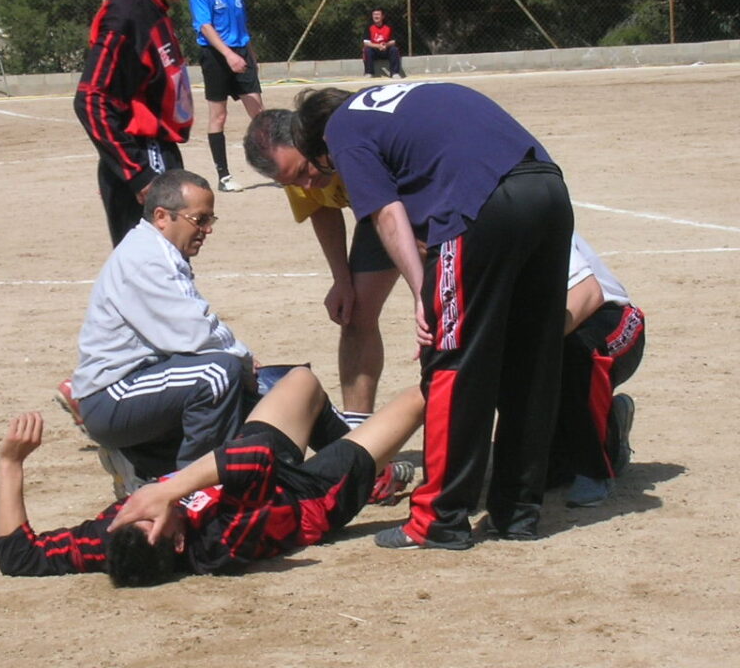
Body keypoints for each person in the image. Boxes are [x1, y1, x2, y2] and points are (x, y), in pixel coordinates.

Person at [292, 83, 574, 550]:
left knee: (451, 360)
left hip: (483, 205)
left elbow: (385, 214)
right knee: (532, 359)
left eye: (320, 166)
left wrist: (424, 291)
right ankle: (519, 512)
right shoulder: (405, 97)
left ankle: (438, 517)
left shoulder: (342, 127)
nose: (325, 174)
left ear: (322, 142)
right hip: (549, 191)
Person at [0, 366, 424, 586]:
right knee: (420, 398)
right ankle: (372, 477)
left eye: (131, 511)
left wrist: (11, 463)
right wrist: (174, 488)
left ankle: (378, 471)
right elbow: (254, 456)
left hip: (245, 472)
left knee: (301, 380)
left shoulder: (115, 537)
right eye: (151, 513)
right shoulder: (217, 544)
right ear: (178, 540)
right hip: (307, 498)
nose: (140, 502)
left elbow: (18, 556)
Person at [56, 169, 256, 499]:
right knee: (219, 373)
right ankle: (189, 495)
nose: (207, 230)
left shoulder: (158, 250)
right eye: (200, 219)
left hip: (136, 384)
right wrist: (245, 360)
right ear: (162, 216)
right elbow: (195, 333)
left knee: (248, 385)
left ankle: (144, 465)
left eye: (211, 220)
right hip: (112, 396)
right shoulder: (149, 257)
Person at [243, 109, 399, 428]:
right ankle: (357, 429)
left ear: (309, 139)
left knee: (443, 315)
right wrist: (342, 280)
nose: (306, 184)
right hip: (377, 217)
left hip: (419, 202)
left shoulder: (347, 144)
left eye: (303, 170)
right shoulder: (293, 165)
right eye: (292, 181)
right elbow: (320, 208)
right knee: (355, 313)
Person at [74, 0, 203, 247]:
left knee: (170, 265)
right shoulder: (126, 15)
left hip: (159, 150)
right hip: (143, 154)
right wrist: (136, 173)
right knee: (153, 267)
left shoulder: (152, 6)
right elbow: (91, 99)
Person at [551, 233, 646, 507]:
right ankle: (611, 429)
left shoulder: (531, 213)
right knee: (551, 475)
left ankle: (594, 468)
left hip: (610, 320)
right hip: (554, 328)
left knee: (576, 353)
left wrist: (538, 349)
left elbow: (589, 294)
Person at [189, 0, 264, 193]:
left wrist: (249, 50)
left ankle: (277, 167)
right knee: (218, 116)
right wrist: (228, 54)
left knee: (259, 112)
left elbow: (241, 20)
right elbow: (205, 26)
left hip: (240, 51)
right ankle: (224, 176)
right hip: (216, 56)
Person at [362, 9, 405, 79]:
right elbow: (366, 43)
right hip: (374, 50)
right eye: (374, 15)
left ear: (382, 16)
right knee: (367, 50)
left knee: (394, 49)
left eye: (378, 14)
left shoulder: (389, 26)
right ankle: (369, 73)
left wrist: (386, 45)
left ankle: (395, 73)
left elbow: (393, 41)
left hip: (386, 49)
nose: (376, 16)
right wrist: (378, 46)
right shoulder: (369, 26)